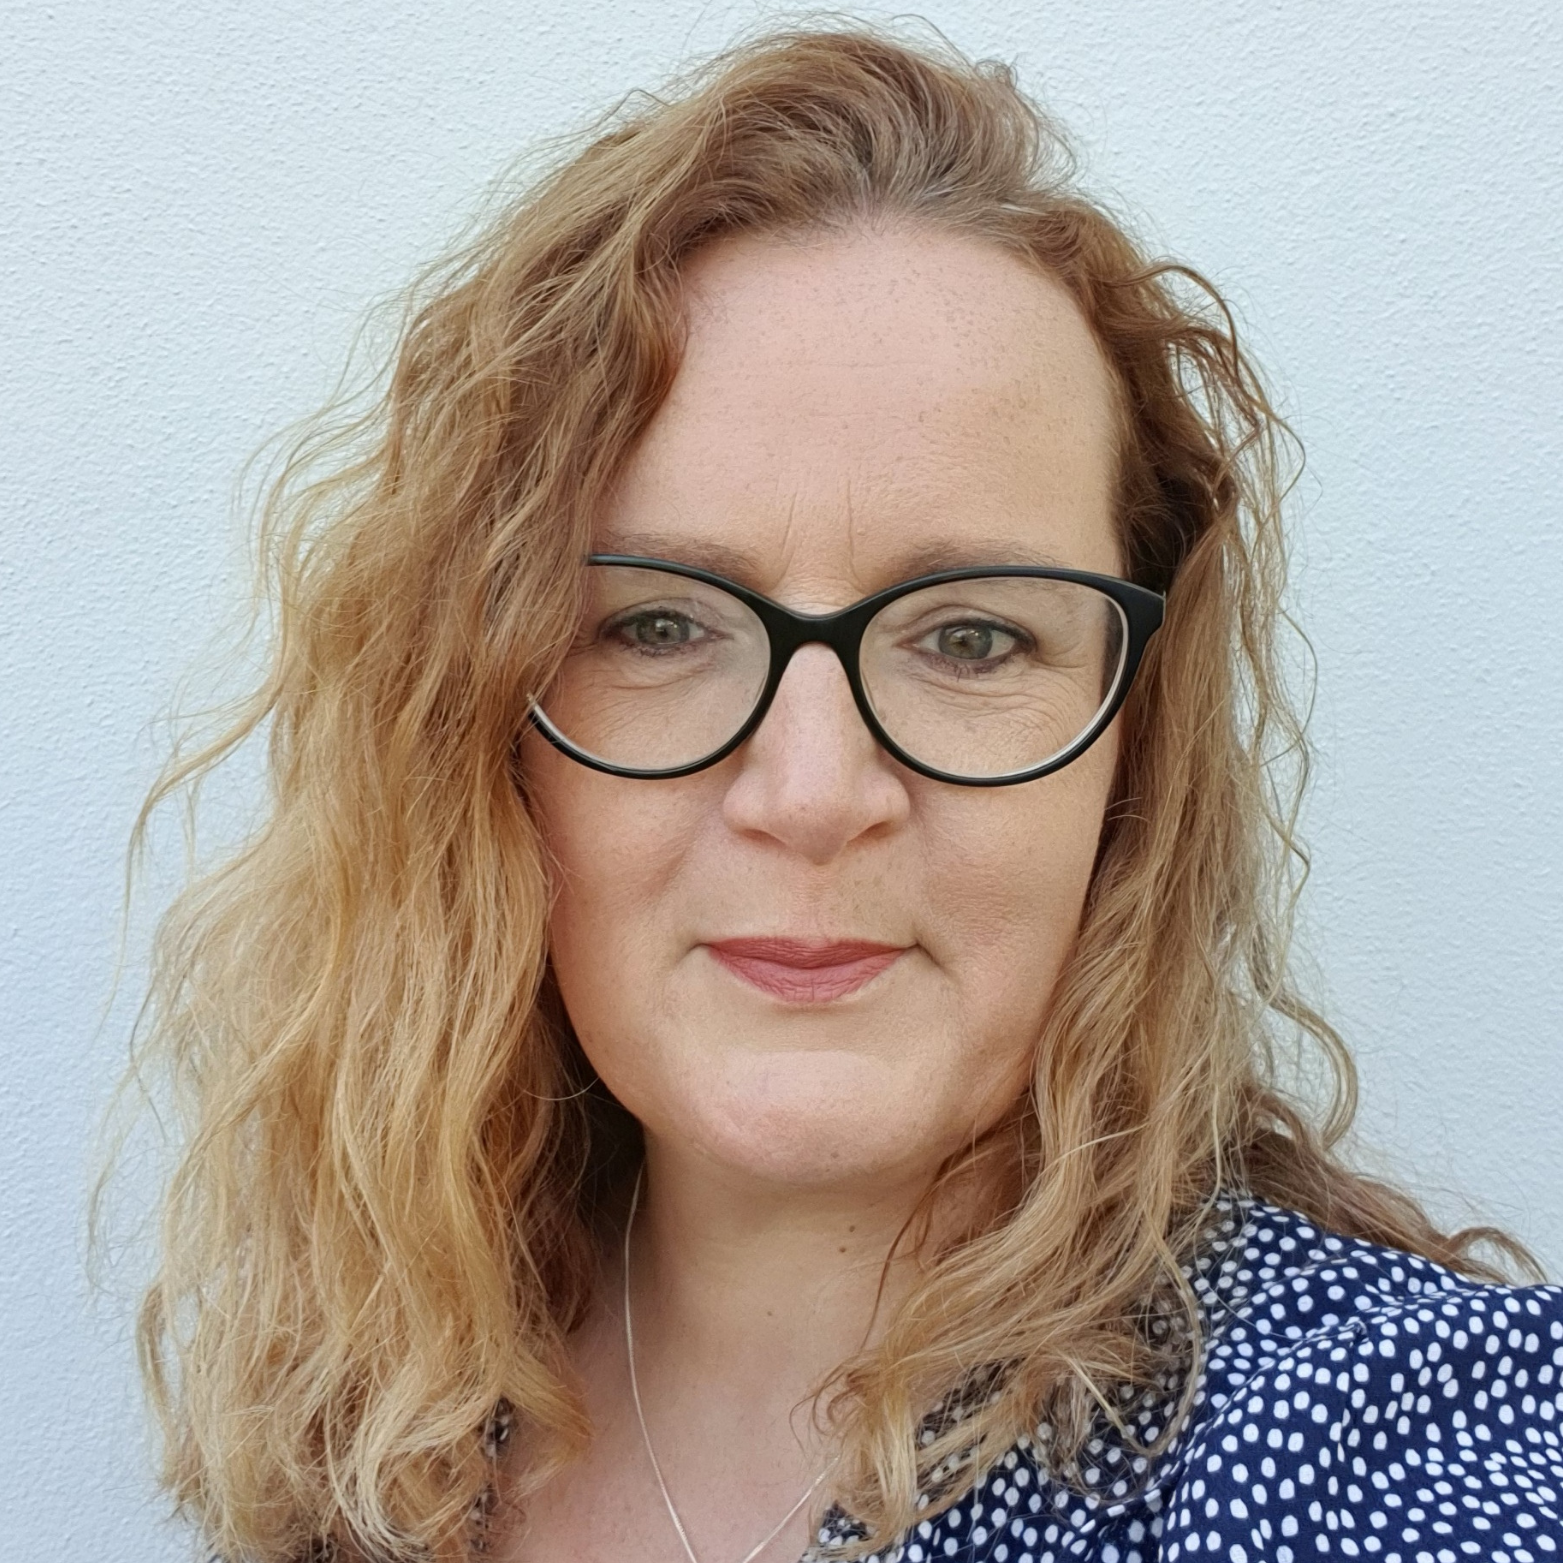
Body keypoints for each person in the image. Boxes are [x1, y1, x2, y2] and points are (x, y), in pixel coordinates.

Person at [127, 26, 1563, 1563]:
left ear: (1128, 745)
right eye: (658, 625)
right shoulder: (378, 1432)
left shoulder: (1396, 1454)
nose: (812, 793)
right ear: (479, 732)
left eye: (970, 637)